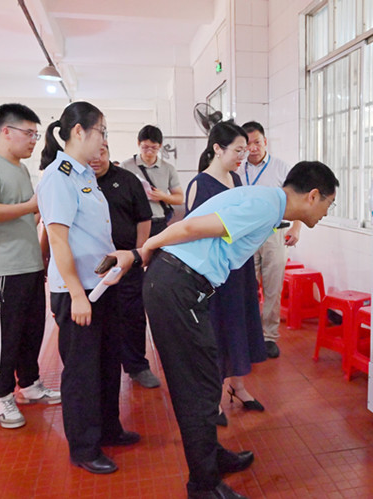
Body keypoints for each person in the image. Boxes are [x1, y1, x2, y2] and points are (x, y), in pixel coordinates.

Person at [109, 160, 339, 499]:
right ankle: (203, 486)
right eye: (328, 204)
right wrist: (144, 248)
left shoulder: (267, 203)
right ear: (313, 195)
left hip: (181, 285)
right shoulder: (266, 205)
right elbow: (191, 227)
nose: (326, 213)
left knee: (205, 382)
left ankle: (212, 457)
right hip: (178, 286)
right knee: (197, 389)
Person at [37, 102, 139, 475]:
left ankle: (109, 428)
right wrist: (78, 294)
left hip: (102, 285)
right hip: (78, 293)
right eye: (101, 132)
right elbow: (58, 239)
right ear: (79, 131)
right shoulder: (58, 176)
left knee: (108, 362)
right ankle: (83, 447)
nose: (104, 140)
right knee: (82, 371)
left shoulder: (84, 174)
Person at [0, 103, 60, 430]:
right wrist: (31, 206)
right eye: (29, 133)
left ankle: (30, 385)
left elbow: (24, 216)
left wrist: (39, 213)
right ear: (6, 131)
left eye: (36, 134)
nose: (34, 140)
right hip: (2, 266)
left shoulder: (20, 170)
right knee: (6, 333)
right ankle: (2, 396)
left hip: (28, 262)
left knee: (32, 328)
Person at [184, 123, 266, 427]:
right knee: (216, 329)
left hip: (239, 266)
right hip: (215, 270)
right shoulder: (199, 184)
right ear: (217, 149)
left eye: (246, 150)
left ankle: (238, 385)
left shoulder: (236, 179)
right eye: (238, 150)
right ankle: (215, 396)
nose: (243, 156)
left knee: (238, 323)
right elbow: (192, 232)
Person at [89, 145, 160, 389]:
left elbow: (144, 219)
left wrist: (138, 254)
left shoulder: (128, 180)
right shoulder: (78, 182)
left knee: (132, 316)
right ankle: (97, 369)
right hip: (91, 266)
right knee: (95, 317)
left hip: (126, 263)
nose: (96, 159)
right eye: (92, 153)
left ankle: (137, 366)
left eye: (102, 153)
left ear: (109, 152)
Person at [238, 121, 301, 359]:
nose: (253, 148)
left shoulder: (281, 168)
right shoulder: (237, 169)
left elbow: (297, 200)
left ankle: (269, 336)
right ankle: (249, 334)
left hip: (275, 233)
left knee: (273, 287)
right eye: (248, 144)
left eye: (257, 142)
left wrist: (296, 228)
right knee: (247, 287)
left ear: (265, 142)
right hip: (245, 235)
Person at [121, 125, 183, 236]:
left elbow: (179, 198)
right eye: (145, 147)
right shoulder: (126, 166)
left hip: (158, 221)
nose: (149, 152)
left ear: (160, 145)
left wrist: (163, 196)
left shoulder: (168, 168)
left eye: (154, 148)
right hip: (134, 221)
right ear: (138, 143)